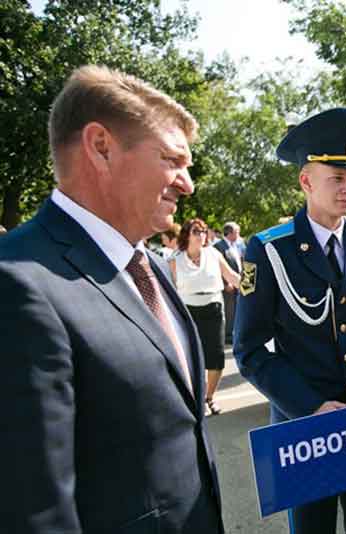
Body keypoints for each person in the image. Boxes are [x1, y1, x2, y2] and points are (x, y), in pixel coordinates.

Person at [0, 65, 223, 533]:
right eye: (172, 159)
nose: (188, 183)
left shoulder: (146, 265)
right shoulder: (18, 283)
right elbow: (33, 510)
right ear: (101, 147)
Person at [234, 107, 346, 534]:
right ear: (305, 181)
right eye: (337, 179)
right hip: (305, 428)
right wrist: (314, 406)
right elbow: (250, 350)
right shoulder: (268, 250)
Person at [170, 218, 240, 416]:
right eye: (195, 231)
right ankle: (196, 399)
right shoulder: (176, 259)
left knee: (216, 359)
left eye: (203, 231)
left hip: (213, 309)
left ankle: (209, 397)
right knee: (192, 358)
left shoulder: (213, 254)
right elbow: (170, 289)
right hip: (188, 312)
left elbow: (233, 277)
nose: (201, 235)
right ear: (186, 235)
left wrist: (255, 289)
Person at [214, 221, 245, 343]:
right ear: (230, 233)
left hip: (237, 283)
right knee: (229, 310)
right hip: (228, 286)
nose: (239, 234)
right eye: (237, 232)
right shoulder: (219, 246)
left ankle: (234, 333)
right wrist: (226, 283)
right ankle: (228, 335)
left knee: (237, 309)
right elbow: (218, 267)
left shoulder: (235, 246)